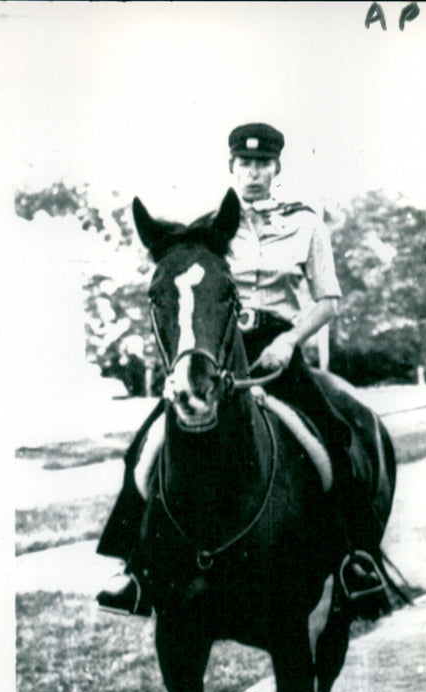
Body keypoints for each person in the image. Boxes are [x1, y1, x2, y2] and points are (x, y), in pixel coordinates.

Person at [97, 122, 385, 615]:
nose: (254, 173)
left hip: (276, 348)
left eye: (263, 164)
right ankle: (133, 568)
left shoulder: (305, 224)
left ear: (277, 169)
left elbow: (329, 300)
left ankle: (353, 557)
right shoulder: (210, 226)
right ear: (231, 167)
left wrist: (291, 341)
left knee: (334, 437)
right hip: (216, 346)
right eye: (244, 164)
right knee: (145, 446)